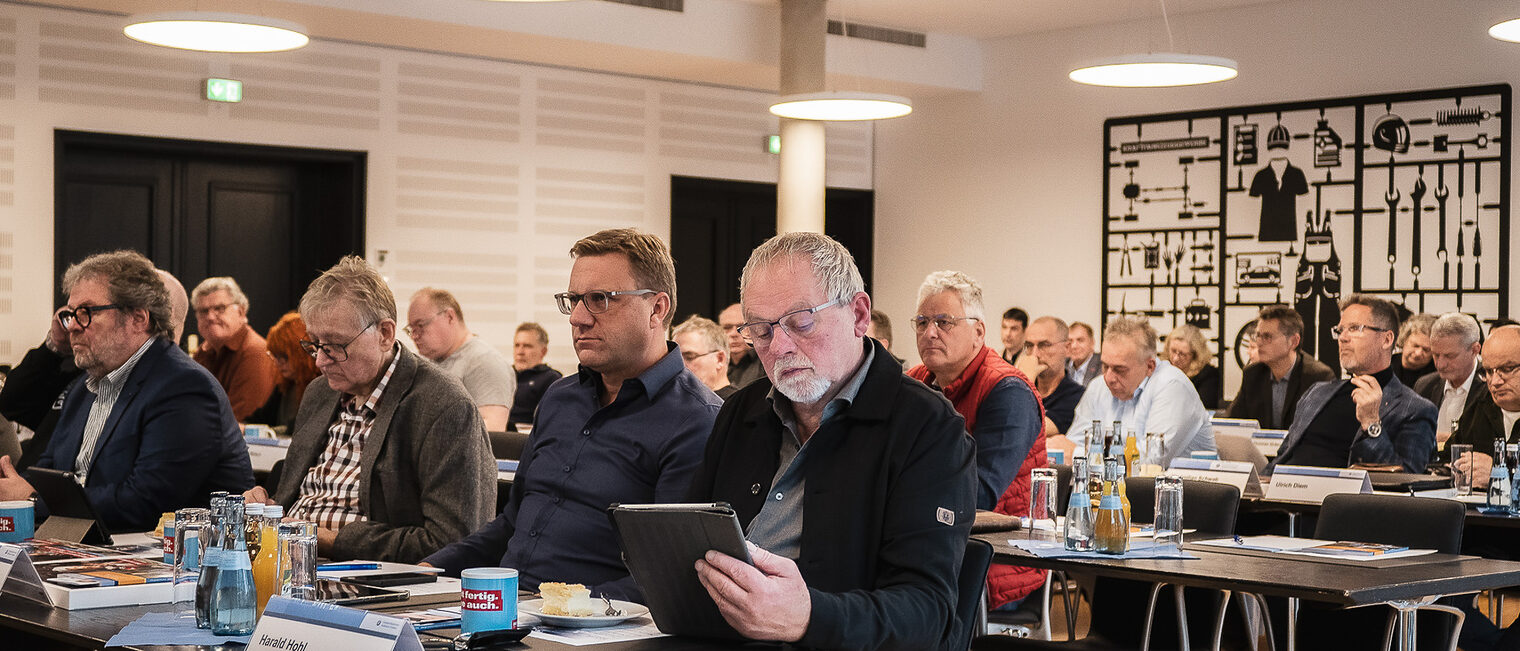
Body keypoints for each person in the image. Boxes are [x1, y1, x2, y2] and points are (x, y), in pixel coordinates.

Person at [688, 232, 976, 649]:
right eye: (762, 331)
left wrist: (807, 617)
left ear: (859, 315)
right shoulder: (741, 411)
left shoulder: (928, 429)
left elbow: (926, 613)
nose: (781, 347)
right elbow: (694, 542)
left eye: (801, 321)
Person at [422, 229, 720, 600]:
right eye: (574, 300)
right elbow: (512, 524)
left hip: (596, 626)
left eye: (600, 299)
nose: (577, 318)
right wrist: (429, 569)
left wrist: (559, 610)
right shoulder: (561, 398)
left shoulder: (697, 421)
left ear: (657, 309)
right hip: (509, 609)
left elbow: (667, 573)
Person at [247, 256, 495, 563]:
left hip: (367, 581)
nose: (320, 361)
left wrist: (330, 541)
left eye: (336, 345)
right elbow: (292, 502)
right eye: (314, 344)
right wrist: (264, 508)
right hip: (288, 564)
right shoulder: (320, 394)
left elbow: (452, 542)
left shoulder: (443, 406)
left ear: (385, 334)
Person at [0, 251, 252, 532]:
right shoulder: (84, 388)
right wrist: (20, 489)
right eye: (70, 315)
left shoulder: (184, 388)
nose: (72, 327)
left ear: (138, 318)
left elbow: (145, 504)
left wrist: (33, 498)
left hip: (169, 563)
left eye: (86, 313)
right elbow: (48, 473)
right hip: (86, 546)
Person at [906, 270, 1046, 611]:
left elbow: (977, 494)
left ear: (978, 331)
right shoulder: (913, 383)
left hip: (997, 558)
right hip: (930, 545)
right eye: (922, 322)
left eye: (944, 322)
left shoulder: (1007, 391)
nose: (929, 332)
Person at [2, 268, 188, 471]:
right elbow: (12, 402)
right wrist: (54, 346)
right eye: (74, 313)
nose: (73, 324)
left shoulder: (175, 388)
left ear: (142, 317)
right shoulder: (88, 376)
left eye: (87, 312)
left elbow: (140, 490)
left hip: (58, 498)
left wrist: (34, 494)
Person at [1270, 295, 1437, 473]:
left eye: (1355, 328)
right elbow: (1283, 456)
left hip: (1339, 498)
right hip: (1284, 491)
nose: (1343, 338)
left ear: (1387, 340)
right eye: (1340, 330)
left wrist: (1372, 424)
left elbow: (1407, 480)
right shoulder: (1317, 392)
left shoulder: (1414, 409)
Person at [1064, 317, 1215, 467]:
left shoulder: (1172, 385)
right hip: (1118, 487)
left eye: (1119, 369)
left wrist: (1078, 454)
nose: (1109, 378)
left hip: (1187, 487)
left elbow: (1150, 462)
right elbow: (1069, 446)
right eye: (1105, 366)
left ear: (1149, 366)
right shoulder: (1098, 386)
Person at [406, 287, 515, 432]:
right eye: (411, 329)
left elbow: (492, 429)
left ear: (450, 317)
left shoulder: (485, 362)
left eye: (420, 326)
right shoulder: (429, 363)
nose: (414, 336)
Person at [1225, 306, 1336, 430]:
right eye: (1258, 336)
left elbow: (1321, 431)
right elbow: (1232, 422)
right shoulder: (1253, 374)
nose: (1259, 342)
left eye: (1267, 337)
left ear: (1294, 341)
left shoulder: (1318, 377)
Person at [191, 277, 279, 421]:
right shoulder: (203, 353)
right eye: (203, 311)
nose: (210, 317)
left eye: (219, 308)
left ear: (241, 312)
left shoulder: (255, 352)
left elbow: (237, 420)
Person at [1449, 325, 1520, 489]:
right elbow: (1447, 461)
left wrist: (1499, 474)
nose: (1495, 382)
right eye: (1488, 371)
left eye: (1507, 369)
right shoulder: (1482, 405)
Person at [1412, 312, 1486, 443]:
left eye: (1450, 356)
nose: (1440, 364)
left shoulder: (1490, 387)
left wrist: (1448, 440)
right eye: (1435, 355)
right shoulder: (1425, 385)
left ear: (1475, 350)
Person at [247, 311, 322, 432]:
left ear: (303, 353)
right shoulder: (285, 385)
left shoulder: (322, 388)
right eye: (275, 356)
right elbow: (260, 419)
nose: (278, 363)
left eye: (284, 356)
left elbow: (302, 428)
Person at [1019, 316, 1085, 434]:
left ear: (1067, 348)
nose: (1035, 354)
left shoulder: (1076, 395)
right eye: (1029, 345)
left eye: (1044, 345)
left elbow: (1027, 430)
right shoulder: (1023, 388)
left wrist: (1025, 379)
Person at [508, 322, 561, 429]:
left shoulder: (552, 379)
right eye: (517, 345)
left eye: (527, 346)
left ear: (543, 351)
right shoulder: (505, 374)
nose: (520, 352)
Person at [673, 315, 735, 400]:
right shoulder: (678, 401)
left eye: (689, 357)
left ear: (720, 359)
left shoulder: (737, 405)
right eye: (676, 358)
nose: (680, 365)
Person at [1166, 324, 1222, 410]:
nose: (1176, 358)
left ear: (1195, 355)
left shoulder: (1208, 375)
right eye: (1173, 351)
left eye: (1183, 354)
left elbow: (1204, 409)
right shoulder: (1162, 370)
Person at [720, 302, 766, 388]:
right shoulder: (717, 364)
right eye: (727, 327)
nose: (734, 334)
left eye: (740, 327)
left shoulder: (765, 362)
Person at [1392, 312, 1438, 387]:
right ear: (1404, 340)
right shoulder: (1385, 365)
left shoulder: (1437, 377)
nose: (1418, 353)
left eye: (1426, 350)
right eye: (1415, 346)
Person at [1065, 321, 1102, 386]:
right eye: (1070, 341)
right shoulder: (1061, 366)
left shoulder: (1103, 366)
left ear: (1092, 343)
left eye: (1080, 340)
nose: (1074, 346)